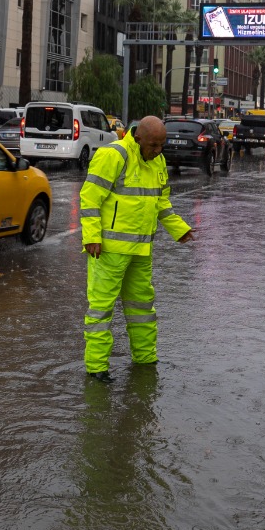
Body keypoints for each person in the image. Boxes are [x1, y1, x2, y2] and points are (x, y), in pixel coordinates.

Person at [79, 116, 194, 384]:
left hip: (141, 250)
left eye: (161, 145)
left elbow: (160, 201)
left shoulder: (158, 161)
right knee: (101, 310)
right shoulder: (114, 155)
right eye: (153, 145)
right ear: (137, 137)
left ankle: (145, 359)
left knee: (142, 307)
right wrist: (91, 237)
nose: (158, 151)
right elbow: (90, 197)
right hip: (108, 250)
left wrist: (179, 229)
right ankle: (96, 367)